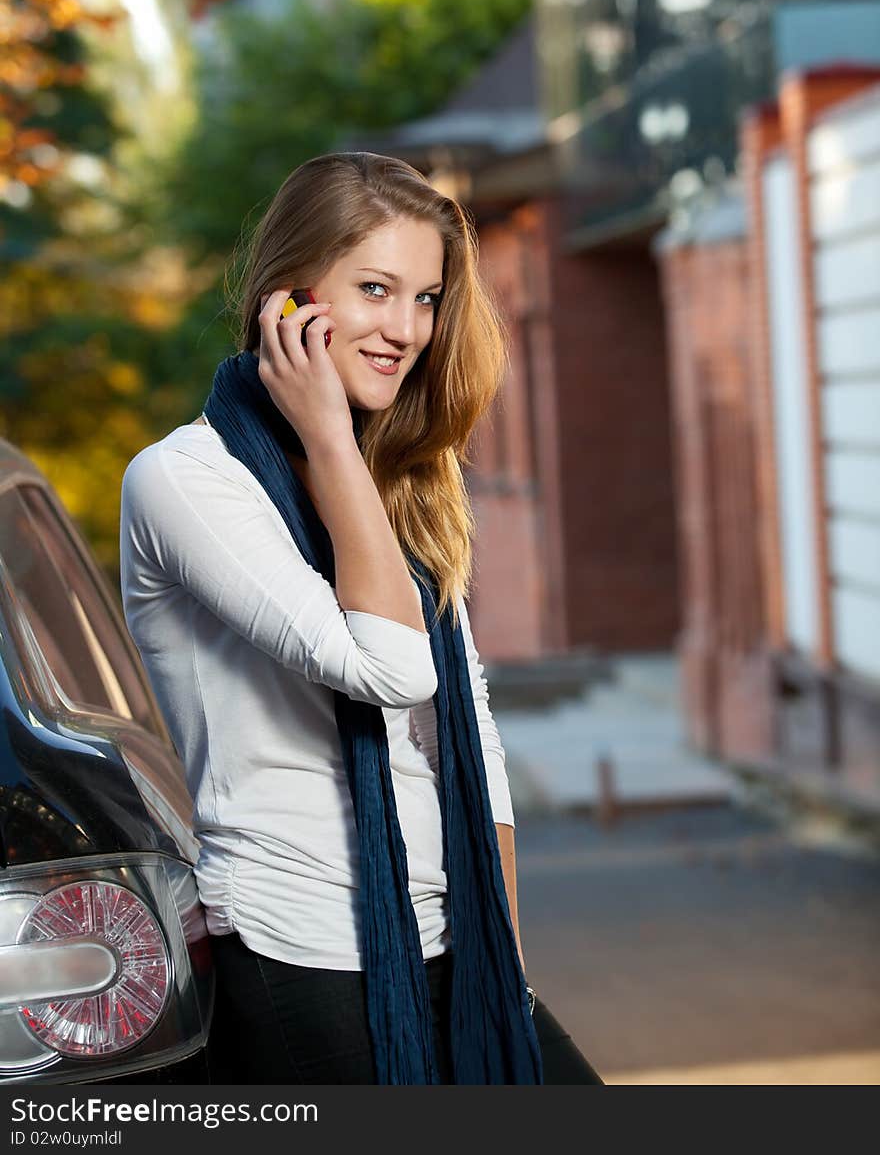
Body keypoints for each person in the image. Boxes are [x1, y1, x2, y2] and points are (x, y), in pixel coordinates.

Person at [119, 151, 603, 1085]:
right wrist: (333, 437)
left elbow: (472, 743)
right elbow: (389, 668)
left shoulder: (405, 485)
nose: (406, 328)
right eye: (375, 289)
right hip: (302, 951)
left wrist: (504, 961)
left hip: (453, 938)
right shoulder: (185, 480)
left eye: (425, 298)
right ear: (288, 300)